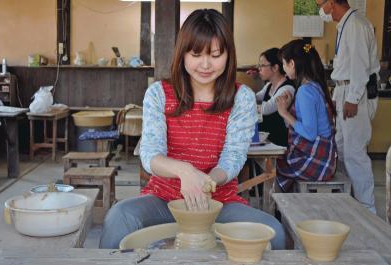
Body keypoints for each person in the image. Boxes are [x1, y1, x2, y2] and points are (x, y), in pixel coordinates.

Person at [99, 9, 285, 249]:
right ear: (183, 54)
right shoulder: (158, 94)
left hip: (219, 202)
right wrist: (185, 172)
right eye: (196, 54)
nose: (206, 64)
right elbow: (150, 155)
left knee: (275, 233)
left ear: (228, 55)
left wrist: (206, 183)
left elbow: (234, 156)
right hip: (164, 199)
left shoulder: (242, 98)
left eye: (216, 54)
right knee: (119, 218)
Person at [317, 0, 380, 213]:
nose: (320, 10)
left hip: (356, 93)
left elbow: (360, 67)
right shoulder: (345, 24)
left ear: (332, 3)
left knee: (355, 152)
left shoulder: (356, 25)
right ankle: (351, 202)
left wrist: (352, 99)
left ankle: (367, 209)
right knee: (342, 147)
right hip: (344, 89)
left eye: (320, 4)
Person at [275, 39, 337, 192]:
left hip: (315, 161)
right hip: (325, 159)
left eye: (284, 64)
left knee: (271, 168)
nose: (283, 68)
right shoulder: (314, 86)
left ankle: (279, 210)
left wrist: (283, 112)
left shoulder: (305, 91)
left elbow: (309, 133)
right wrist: (288, 109)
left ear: (292, 64)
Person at [253, 48, 295, 147]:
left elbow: (266, 108)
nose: (259, 69)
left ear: (275, 67)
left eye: (262, 65)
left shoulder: (287, 88)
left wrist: (244, 102)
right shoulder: (269, 85)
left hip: (279, 140)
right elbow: (255, 97)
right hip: (267, 138)